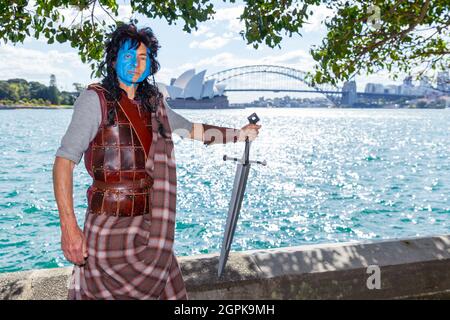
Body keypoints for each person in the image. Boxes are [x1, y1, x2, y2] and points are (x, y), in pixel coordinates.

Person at [52, 23, 261, 300]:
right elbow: (64, 162)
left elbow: (192, 130)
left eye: (143, 57)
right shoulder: (95, 100)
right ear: (113, 60)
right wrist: (69, 228)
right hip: (107, 228)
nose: (136, 64)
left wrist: (239, 134)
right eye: (129, 56)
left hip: (150, 230)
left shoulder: (154, 104)